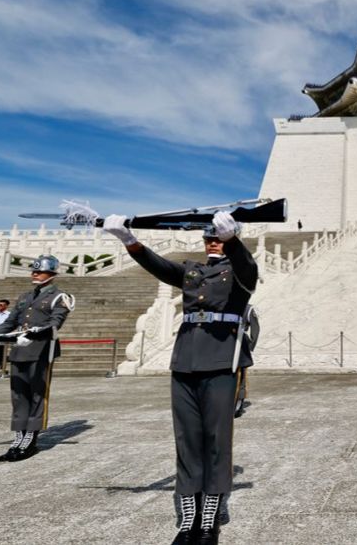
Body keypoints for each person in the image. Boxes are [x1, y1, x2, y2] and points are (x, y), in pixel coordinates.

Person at [103, 212, 257, 545]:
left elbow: (248, 269)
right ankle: (189, 519)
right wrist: (128, 240)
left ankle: (209, 520)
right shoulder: (192, 270)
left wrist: (234, 241)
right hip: (185, 362)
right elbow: (159, 266)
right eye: (209, 237)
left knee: (216, 441)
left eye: (218, 236)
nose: (213, 240)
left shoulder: (239, 271)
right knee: (187, 440)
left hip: (220, 361)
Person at [0, 256, 74, 462]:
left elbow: (55, 323)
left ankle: (30, 439)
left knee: (37, 395)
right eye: (33, 271)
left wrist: (35, 333)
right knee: (18, 396)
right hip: (19, 351)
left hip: (41, 351)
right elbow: (8, 324)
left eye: (39, 271)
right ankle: (19, 436)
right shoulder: (25, 297)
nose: (34, 274)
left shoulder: (59, 296)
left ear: (51, 274)